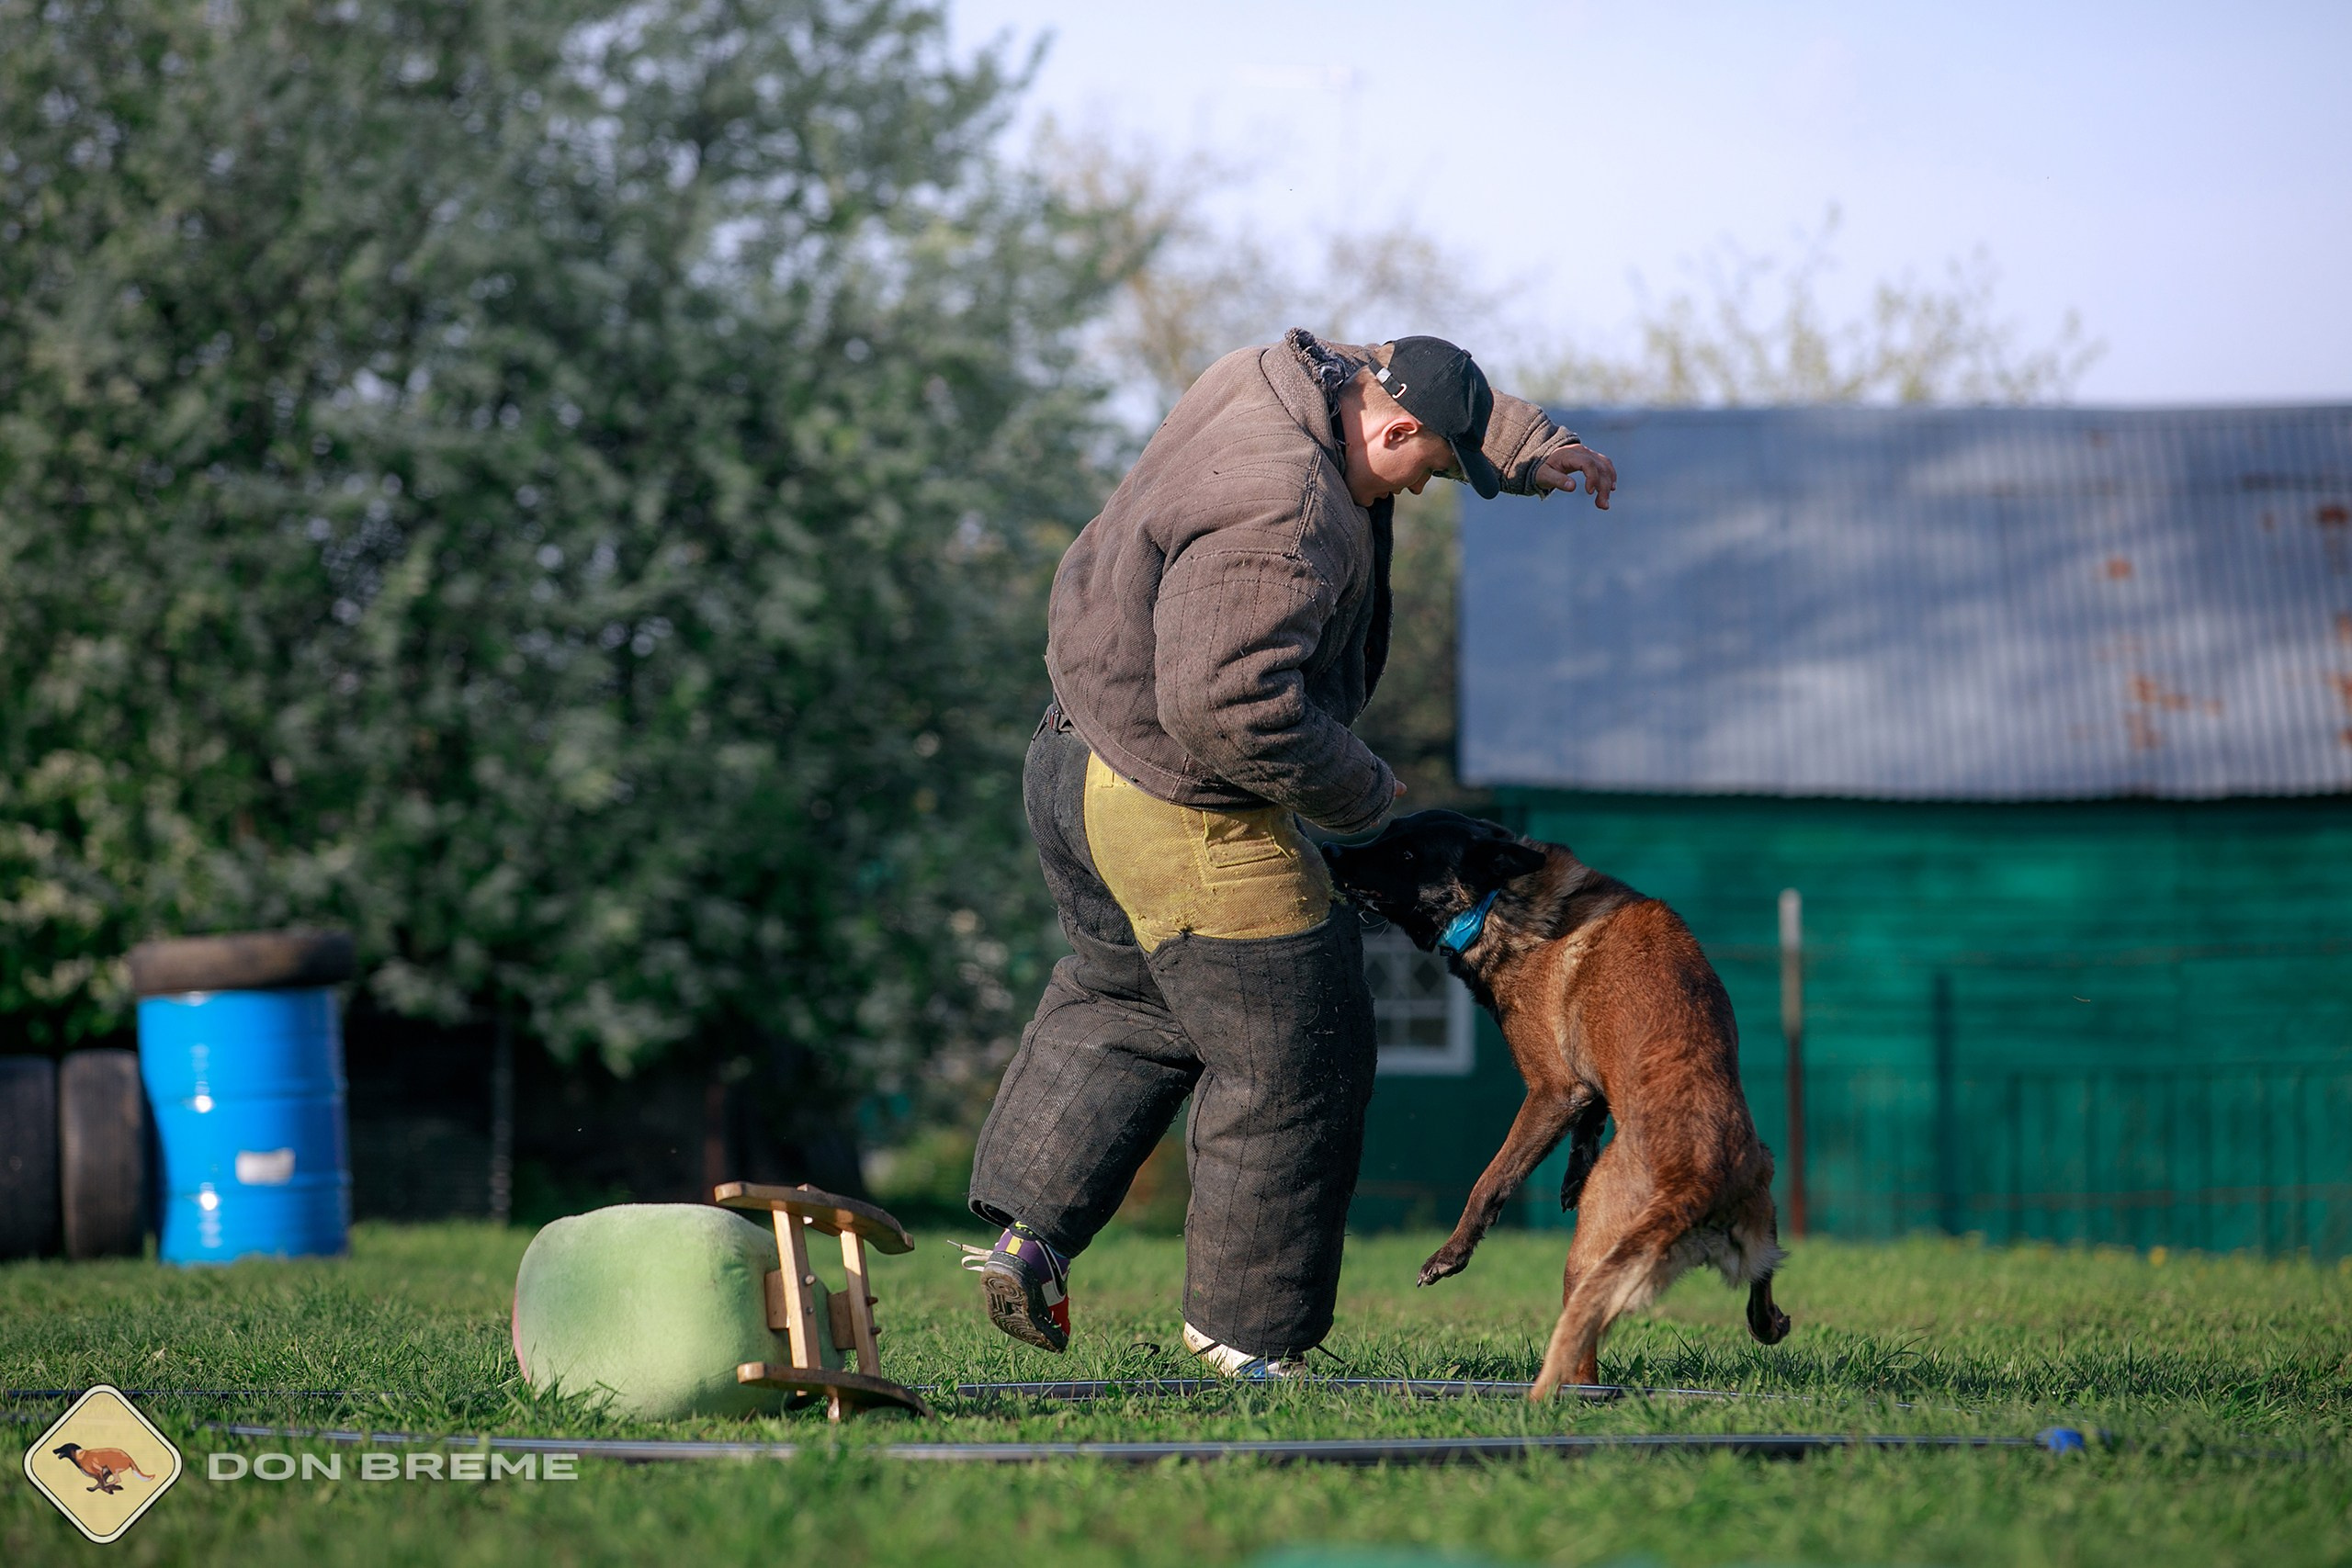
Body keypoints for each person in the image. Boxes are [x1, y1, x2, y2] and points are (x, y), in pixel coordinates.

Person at [964, 329, 1617, 1373]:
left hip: (1069, 755)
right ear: (1392, 430)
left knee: (1135, 1002)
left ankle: (1027, 1244)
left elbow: (1394, 357)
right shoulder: (1288, 508)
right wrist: (1357, 786)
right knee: (1298, 1041)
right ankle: (1248, 1340)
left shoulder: (1273, 374)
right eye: (1428, 466)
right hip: (1170, 793)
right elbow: (1224, 701)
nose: (1423, 487)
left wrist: (1526, 449)